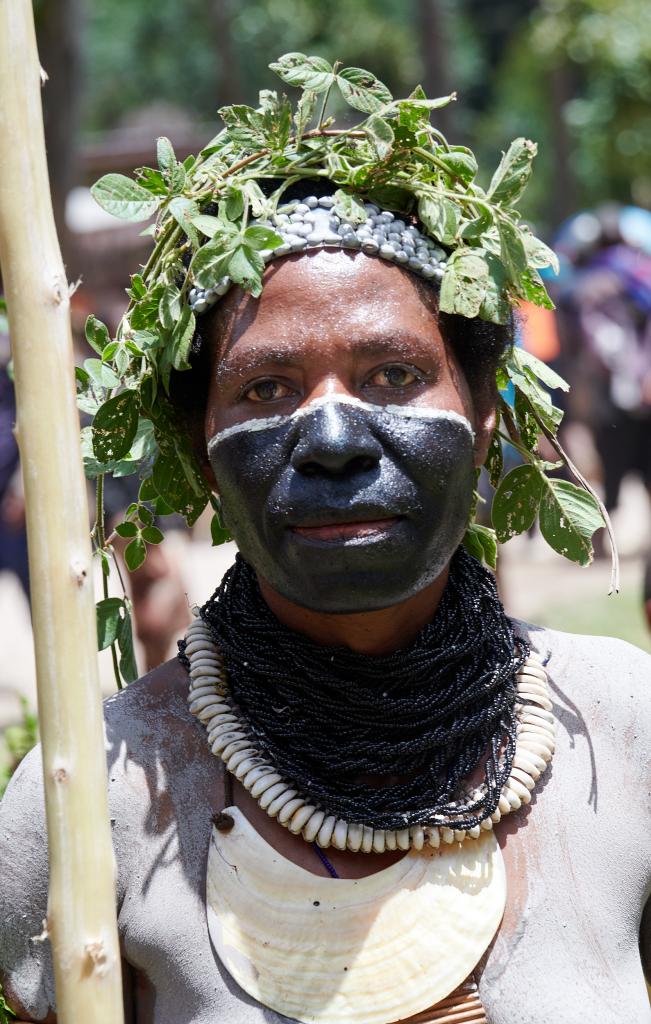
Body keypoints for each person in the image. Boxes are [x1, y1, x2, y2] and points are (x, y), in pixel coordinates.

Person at [1, 56, 650, 1024]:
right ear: (200, 450)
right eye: (265, 388)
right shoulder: (94, 797)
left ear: (482, 417)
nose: (334, 441)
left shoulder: (622, 732)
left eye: (393, 375)